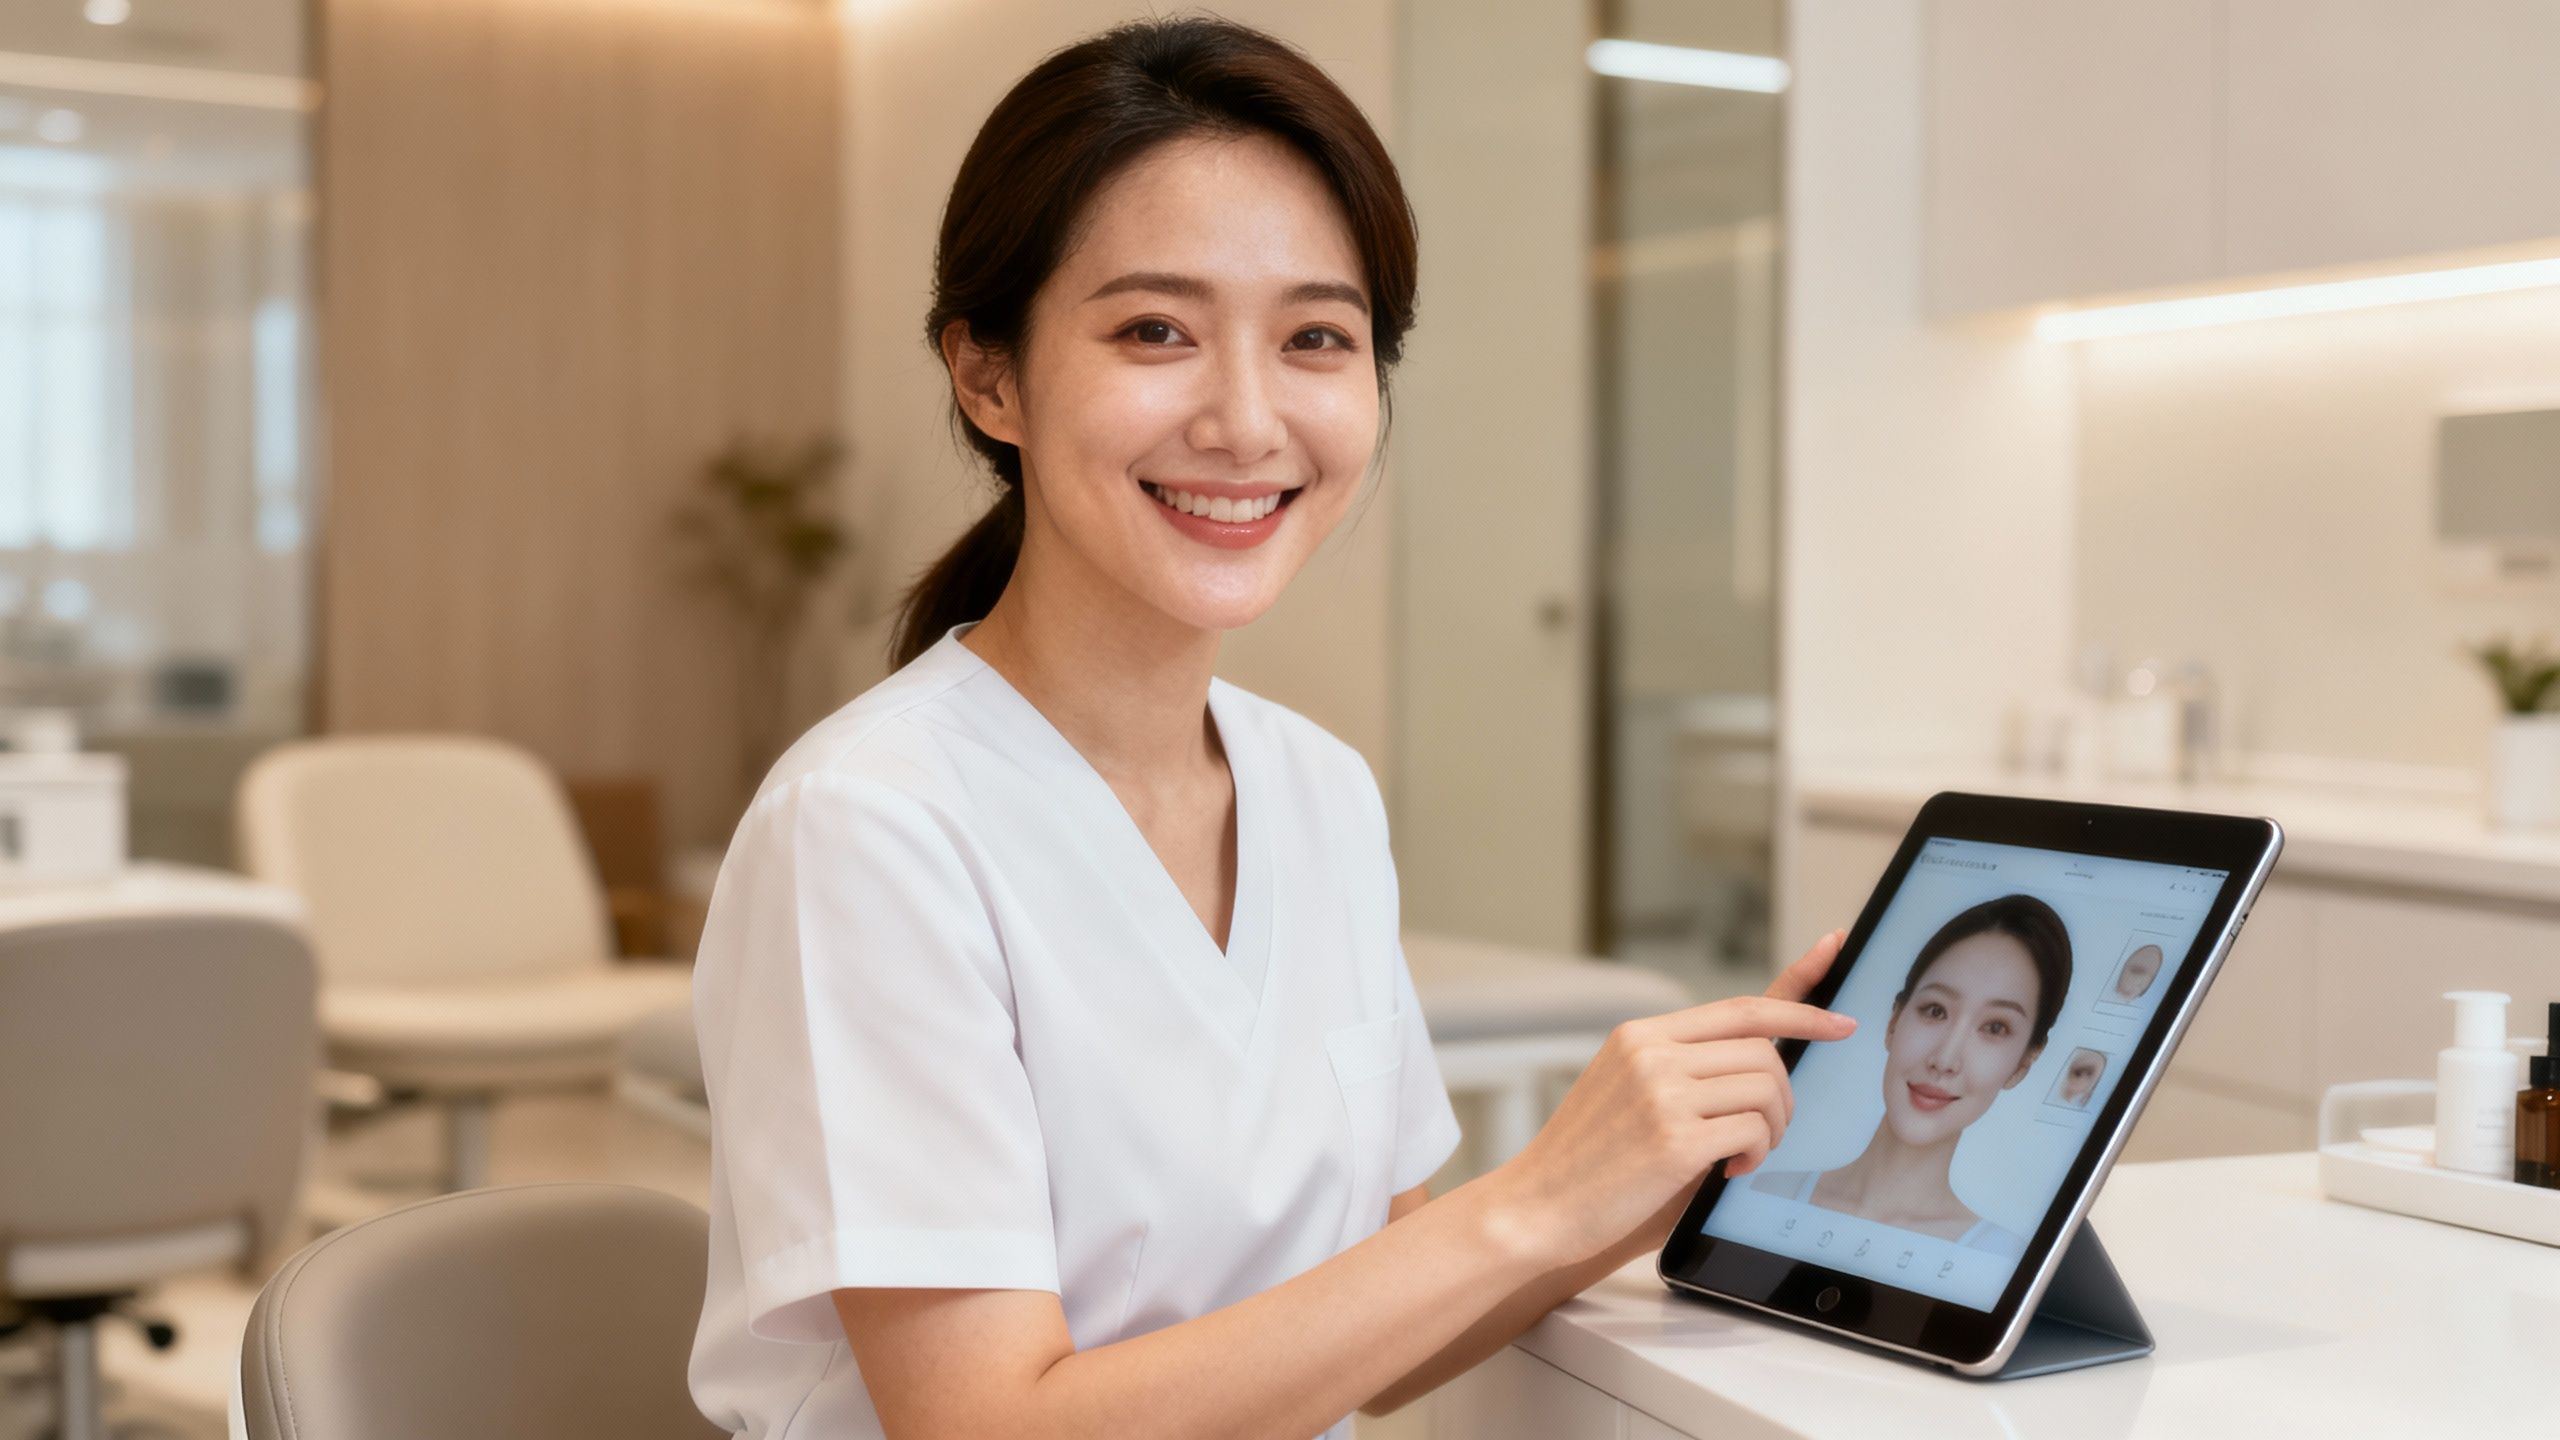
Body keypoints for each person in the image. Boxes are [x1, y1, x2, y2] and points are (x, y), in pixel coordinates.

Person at [683, 19, 1856, 1439]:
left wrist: (1630, 1188)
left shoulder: (1317, 789)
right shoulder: (872, 827)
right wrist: (1532, 1200)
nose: (1246, 422)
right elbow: (988, 1426)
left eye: (1316, 338)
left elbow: (1375, 1325)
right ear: (988, 376)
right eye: (1154, 332)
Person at [1749, 894, 2072, 1257]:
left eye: (1995, 1028)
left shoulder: (2001, 1258)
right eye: (1935, 1010)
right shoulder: (1764, 1195)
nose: (1945, 1059)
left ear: (2022, 1064)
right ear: (1894, 1021)